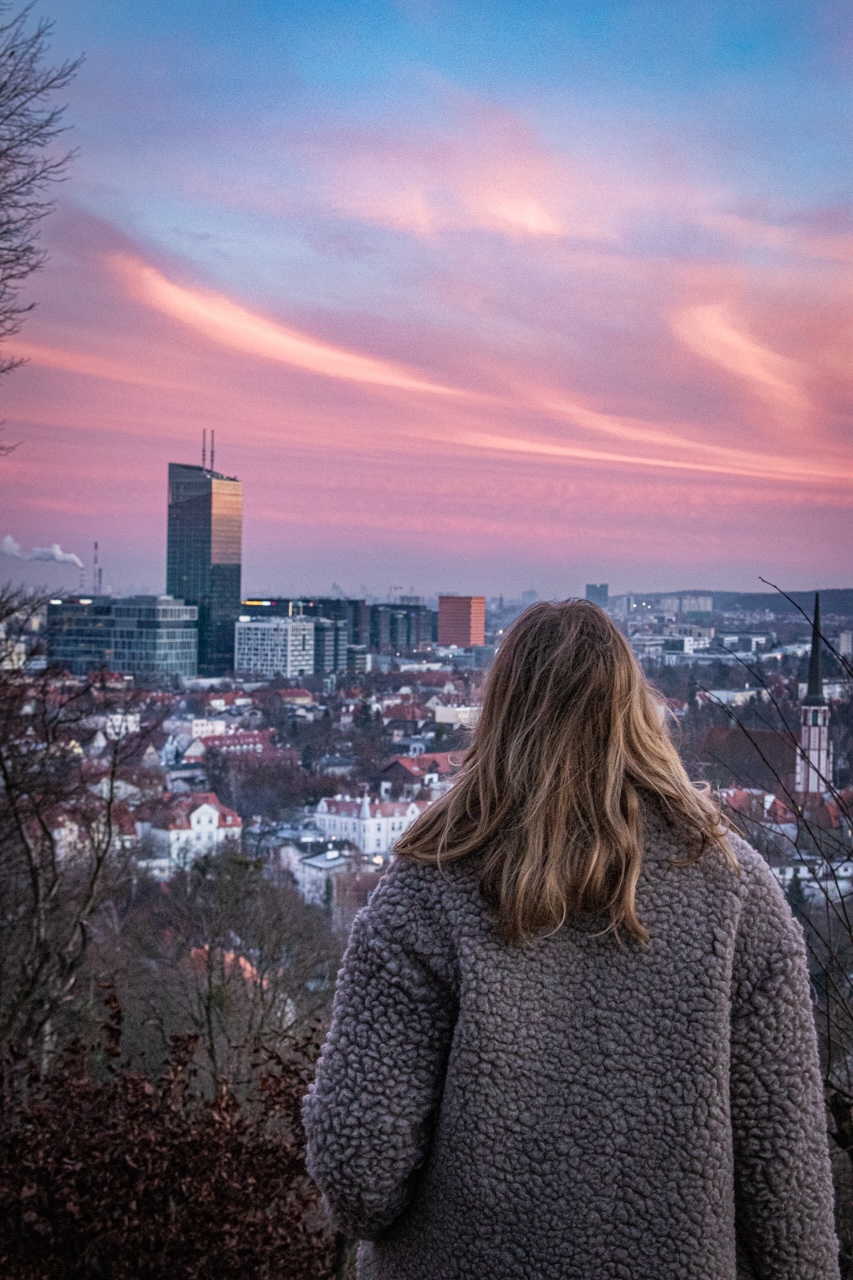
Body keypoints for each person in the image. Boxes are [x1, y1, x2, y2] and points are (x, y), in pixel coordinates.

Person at [303, 600, 839, 1280]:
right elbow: (788, 1183)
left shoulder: (425, 887)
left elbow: (357, 1173)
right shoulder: (736, 891)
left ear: (499, 712)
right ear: (635, 713)